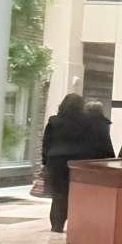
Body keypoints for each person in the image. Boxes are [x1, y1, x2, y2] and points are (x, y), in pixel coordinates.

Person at [41, 93, 90, 233]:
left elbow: (46, 143)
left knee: (58, 194)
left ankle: (57, 225)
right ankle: (75, 225)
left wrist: (45, 161)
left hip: (56, 161)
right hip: (77, 162)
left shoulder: (54, 121)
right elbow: (89, 143)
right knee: (76, 194)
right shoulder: (86, 123)